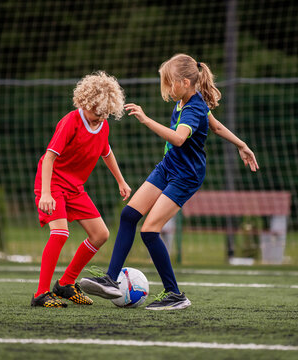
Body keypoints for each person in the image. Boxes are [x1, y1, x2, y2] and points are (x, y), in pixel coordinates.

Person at [80, 54, 258, 310]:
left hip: (186, 176)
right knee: (129, 215)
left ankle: (175, 294)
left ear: (185, 82)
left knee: (149, 231)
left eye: (169, 83)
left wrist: (146, 119)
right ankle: (110, 279)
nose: (166, 88)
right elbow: (216, 127)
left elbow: (178, 139)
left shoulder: (194, 107)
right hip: (169, 167)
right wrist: (242, 145)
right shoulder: (186, 100)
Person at [31, 71, 131, 308]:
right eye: (97, 113)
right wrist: (46, 193)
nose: (100, 118)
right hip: (53, 183)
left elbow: (106, 152)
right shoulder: (70, 122)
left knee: (101, 235)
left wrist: (121, 181)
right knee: (60, 233)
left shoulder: (102, 125)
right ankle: (41, 294)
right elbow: (48, 158)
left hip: (75, 188)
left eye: (105, 114)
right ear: (86, 102)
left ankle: (66, 284)